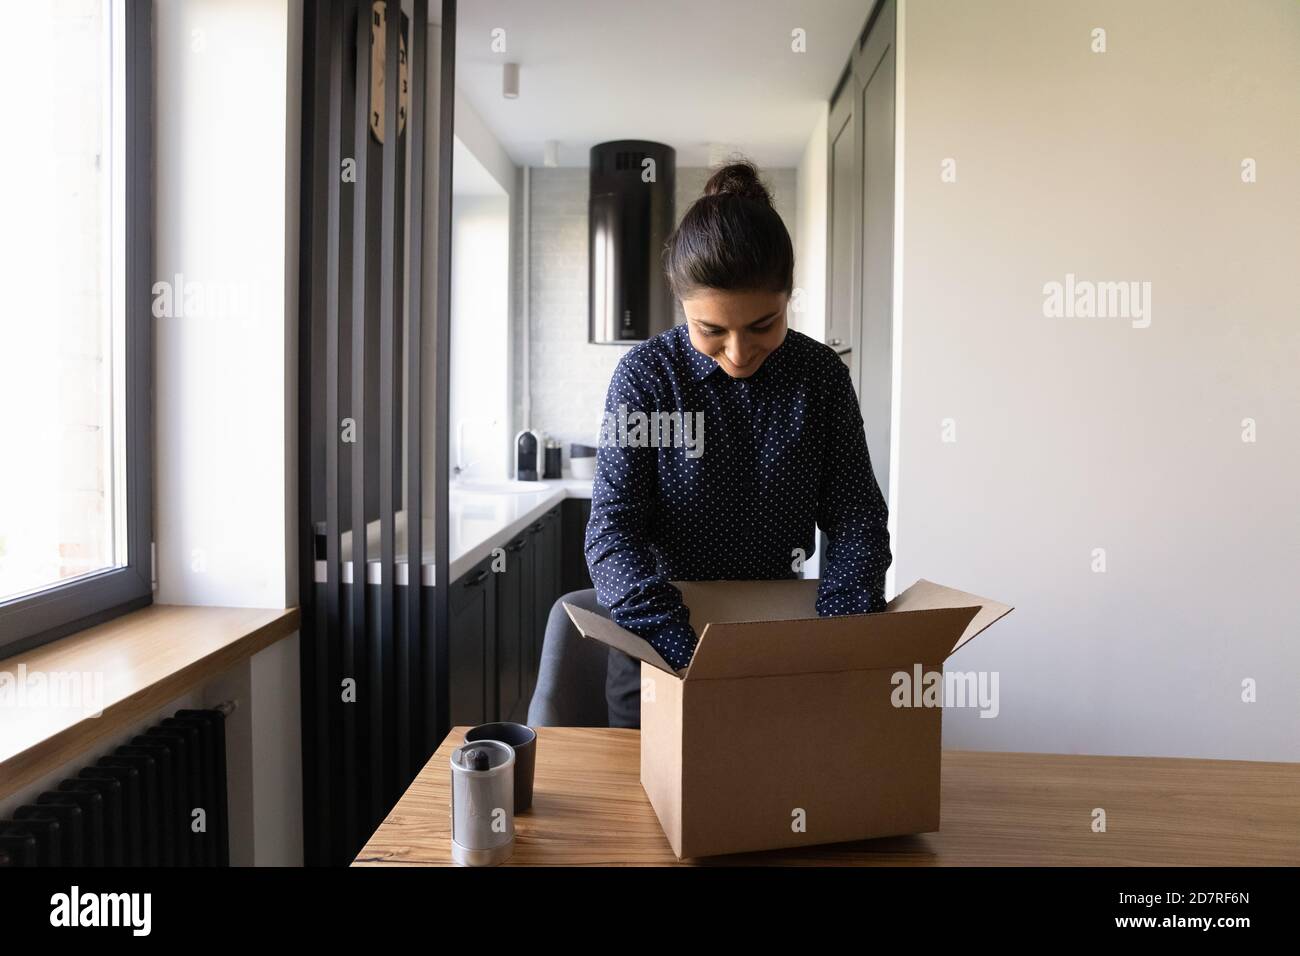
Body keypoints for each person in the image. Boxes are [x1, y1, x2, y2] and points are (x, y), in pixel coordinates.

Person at [564, 159, 891, 728]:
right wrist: (688, 653)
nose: (739, 352)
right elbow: (612, 533)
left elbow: (855, 517)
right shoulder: (647, 377)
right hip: (657, 649)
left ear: (789, 296)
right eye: (711, 330)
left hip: (777, 637)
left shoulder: (820, 377)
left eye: (763, 324)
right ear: (682, 306)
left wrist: (841, 640)